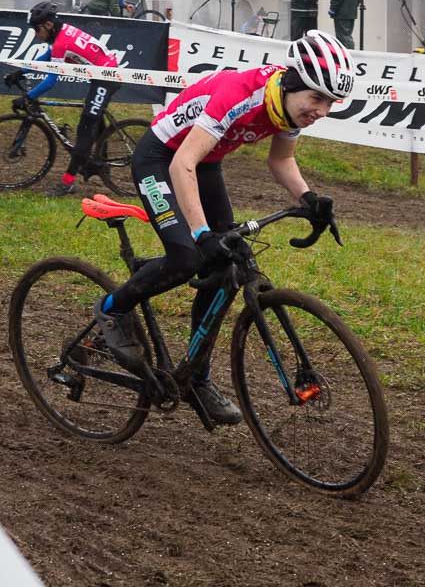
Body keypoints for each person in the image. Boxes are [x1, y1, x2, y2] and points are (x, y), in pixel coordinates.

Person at [90, 30, 353, 425]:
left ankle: (196, 377)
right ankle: (113, 310)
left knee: (227, 265)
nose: (322, 110)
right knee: (187, 256)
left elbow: (281, 161)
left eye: (330, 102)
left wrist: (309, 198)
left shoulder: (290, 108)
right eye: (317, 98)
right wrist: (201, 233)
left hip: (205, 162)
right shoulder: (242, 94)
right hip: (161, 158)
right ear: (293, 82)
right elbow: (182, 164)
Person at [19, 1, 121, 196]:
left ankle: (67, 183)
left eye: (36, 29)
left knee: (85, 128)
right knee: (94, 119)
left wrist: (29, 96)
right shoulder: (62, 31)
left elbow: (51, 80)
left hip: (107, 78)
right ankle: (101, 163)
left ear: (48, 25)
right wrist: (22, 72)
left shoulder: (61, 43)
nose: (36, 35)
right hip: (103, 73)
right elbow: (48, 56)